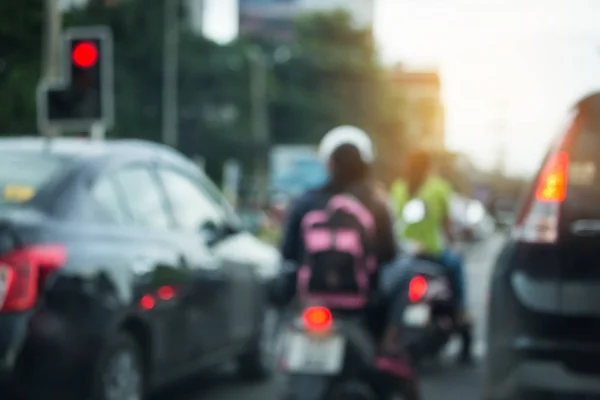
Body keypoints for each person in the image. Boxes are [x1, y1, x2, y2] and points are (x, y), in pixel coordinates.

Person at [273, 126, 421, 399]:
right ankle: (390, 344)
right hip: (362, 305)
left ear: (329, 163)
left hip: (311, 303)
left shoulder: (305, 202)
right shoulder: (377, 203)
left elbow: (288, 253)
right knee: (409, 272)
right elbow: (389, 254)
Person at [391, 148, 474, 364]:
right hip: (434, 254)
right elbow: (447, 223)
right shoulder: (438, 187)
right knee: (456, 272)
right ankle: (461, 313)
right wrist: (452, 243)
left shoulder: (399, 187)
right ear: (429, 166)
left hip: (404, 256)